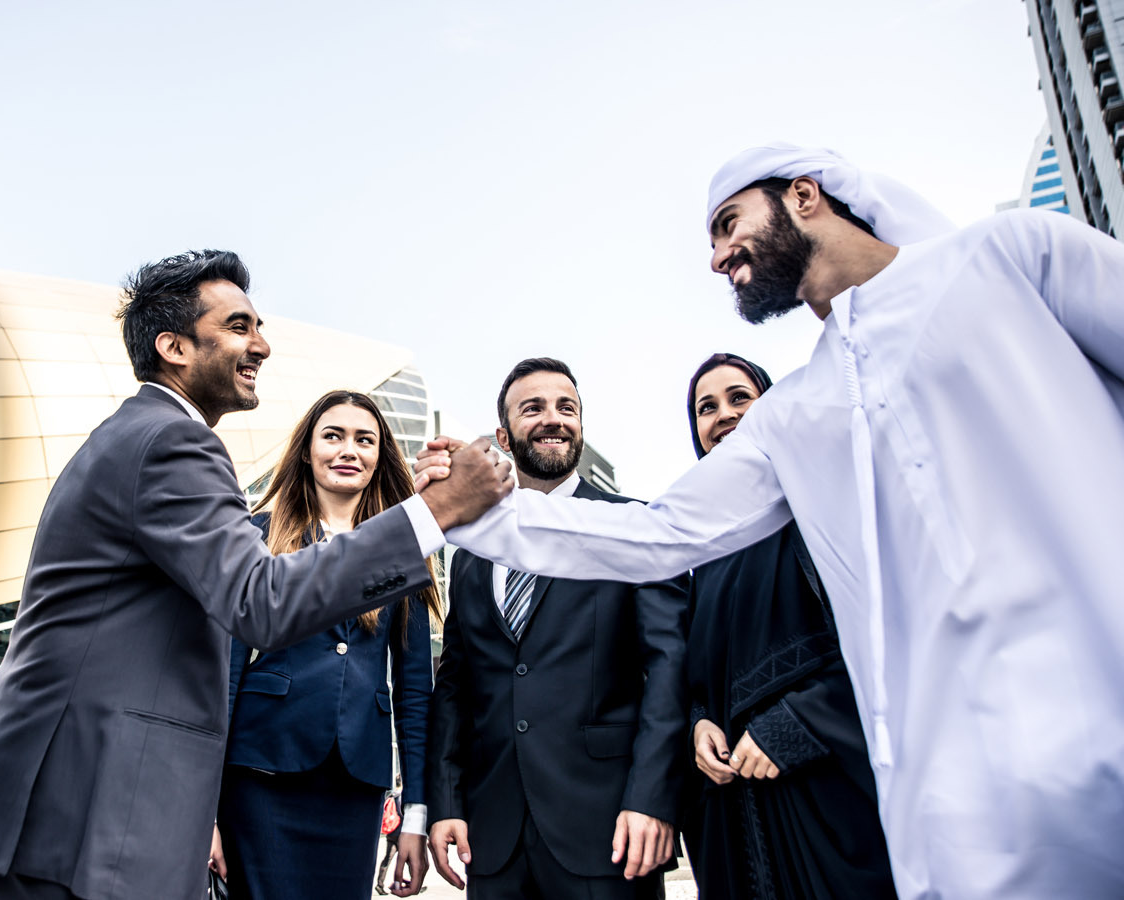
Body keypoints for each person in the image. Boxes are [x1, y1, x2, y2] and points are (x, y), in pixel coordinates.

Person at [418, 144, 1124, 898]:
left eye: (729, 224)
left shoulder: (1011, 256)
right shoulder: (796, 413)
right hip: (960, 794)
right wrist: (472, 515)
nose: (719, 257)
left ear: (804, 194)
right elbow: (661, 534)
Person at [0, 250, 510, 900]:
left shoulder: (145, 436)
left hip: (91, 799)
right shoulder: (172, 444)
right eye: (240, 326)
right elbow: (260, 603)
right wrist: (433, 511)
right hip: (89, 804)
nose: (263, 345)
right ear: (174, 346)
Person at [426, 358, 688, 900]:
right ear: (503, 435)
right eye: (534, 408)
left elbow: (669, 667)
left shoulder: (632, 524)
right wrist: (446, 804)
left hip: (611, 829)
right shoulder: (473, 552)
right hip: (494, 840)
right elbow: (455, 686)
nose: (554, 419)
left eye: (566, 407)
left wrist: (653, 798)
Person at [680, 352, 894, 899]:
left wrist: (795, 724)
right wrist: (700, 721)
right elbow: (698, 668)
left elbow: (886, 643)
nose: (723, 415)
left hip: (827, 800)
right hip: (738, 816)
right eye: (706, 408)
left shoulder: (824, 507)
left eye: (739, 398)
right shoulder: (704, 547)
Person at [217, 390, 441, 899]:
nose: (349, 450)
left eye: (365, 440)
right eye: (333, 436)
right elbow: (224, 671)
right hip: (261, 774)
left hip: (355, 783)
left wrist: (416, 816)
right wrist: (205, 807)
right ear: (305, 450)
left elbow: (414, 695)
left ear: (380, 457)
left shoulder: (403, 552)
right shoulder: (259, 535)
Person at [376, 778, 405, 895]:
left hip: (391, 832)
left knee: (387, 859)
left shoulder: (392, 796)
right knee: (407, 859)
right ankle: (402, 884)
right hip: (401, 833)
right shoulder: (401, 797)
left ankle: (380, 884)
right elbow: (403, 814)